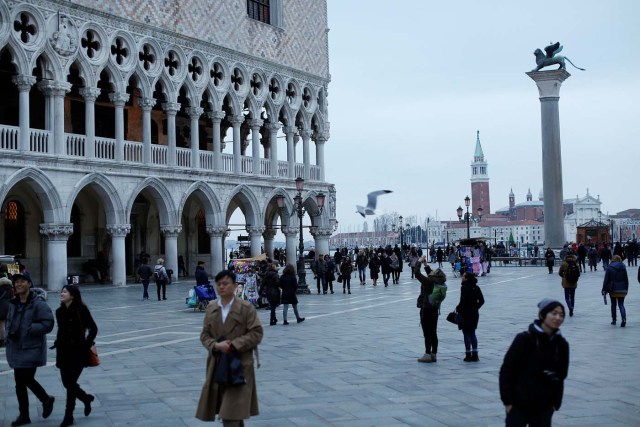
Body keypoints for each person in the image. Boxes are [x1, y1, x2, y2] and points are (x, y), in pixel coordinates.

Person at [195, 270, 264, 426]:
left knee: (230, 413)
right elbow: (204, 335)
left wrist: (235, 344)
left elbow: (257, 332)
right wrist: (216, 345)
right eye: (218, 284)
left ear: (234, 286)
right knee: (232, 412)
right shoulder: (211, 308)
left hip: (239, 366)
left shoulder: (246, 308)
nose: (221, 287)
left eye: (225, 284)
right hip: (217, 365)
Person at [499, 299, 569, 427]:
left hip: (545, 406)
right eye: (554, 313)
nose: (558, 318)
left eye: (561, 315)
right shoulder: (524, 339)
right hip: (518, 403)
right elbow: (506, 370)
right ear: (542, 315)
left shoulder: (562, 345)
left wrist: (555, 404)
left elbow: (561, 376)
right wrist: (508, 402)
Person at [5, 271, 55, 427]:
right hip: (16, 347)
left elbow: (48, 323)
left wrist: (30, 328)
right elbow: (9, 320)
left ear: (29, 284)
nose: (18, 284)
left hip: (32, 347)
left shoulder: (38, 303)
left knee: (25, 378)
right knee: (20, 382)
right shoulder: (13, 303)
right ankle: (26, 414)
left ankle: (45, 400)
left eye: (22, 281)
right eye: (16, 282)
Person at [54, 285, 98, 427]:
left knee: (70, 383)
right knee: (68, 383)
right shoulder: (59, 311)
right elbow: (61, 330)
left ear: (72, 295)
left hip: (78, 352)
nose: (62, 293)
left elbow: (93, 328)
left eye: (65, 292)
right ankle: (86, 398)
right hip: (63, 351)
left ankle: (69, 415)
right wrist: (57, 343)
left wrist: (86, 344)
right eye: (62, 291)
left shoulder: (81, 309)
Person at [414, 257, 445, 363]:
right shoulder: (438, 282)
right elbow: (430, 274)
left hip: (426, 309)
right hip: (435, 309)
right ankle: (434, 353)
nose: (432, 272)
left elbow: (417, 273)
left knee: (427, 333)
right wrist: (426, 265)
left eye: (434, 271)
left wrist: (418, 262)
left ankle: (427, 354)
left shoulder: (428, 282)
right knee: (433, 332)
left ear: (434, 275)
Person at [455, 272, 485, 362]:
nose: (461, 277)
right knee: (472, 333)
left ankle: (468, 355)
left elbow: (462, 301)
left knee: (466, 334)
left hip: (465, 313)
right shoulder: (476, 287)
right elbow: (482, 300)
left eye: (463, 276)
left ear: (466, 278)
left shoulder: (464, 287)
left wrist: (458, 308)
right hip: (474, 313)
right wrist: (476, 307)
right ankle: (475, 355)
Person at [602, 255, 629, 327]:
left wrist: (604, 289)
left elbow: (606, 280)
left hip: (613, 289)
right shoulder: (623, 266)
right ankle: (624, 319)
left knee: (613, 304)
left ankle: (614, 320)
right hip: (622, 288)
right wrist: (626, 288)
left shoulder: (609, 267)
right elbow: (626, 278)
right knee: (621, 304)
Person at [558, 253, 580, 317]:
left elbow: (560, 273)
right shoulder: (576, 263)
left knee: (567, 297)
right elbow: (578, 274)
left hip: (566, 283)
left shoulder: (564, 263)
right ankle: (572, 310)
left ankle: (570, 307)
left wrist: (564, 277)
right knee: (572, 297)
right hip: (573, 283)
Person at [0, 276, 12, 347]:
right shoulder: (10, 288)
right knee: (6, 324)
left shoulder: (0, 288)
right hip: (8, 306)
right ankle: (7, 339)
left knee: (1, 325)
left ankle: (2, 340)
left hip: (1, 306)